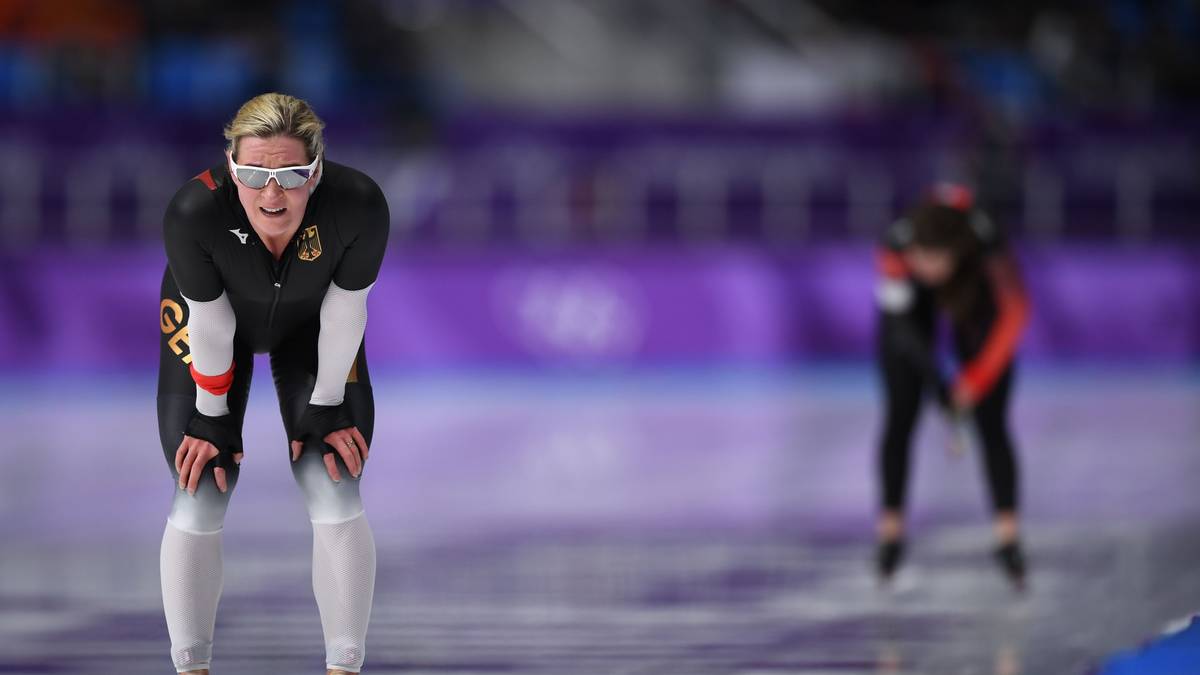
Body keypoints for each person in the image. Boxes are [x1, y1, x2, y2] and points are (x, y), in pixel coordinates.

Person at [157, 92, 389, 674]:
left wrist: (327, 403)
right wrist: (210, 415)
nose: (271, 193)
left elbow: (344, 315)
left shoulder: (357, 204)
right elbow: (209, 324)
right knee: (203, 480)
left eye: (289, 174)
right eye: (255, 173)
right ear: (231, 167)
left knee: (330, 471)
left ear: (317, 169)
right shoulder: (195, 211)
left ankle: (344, 665)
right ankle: (191, 666)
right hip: (215, 326)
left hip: (315, 331)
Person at [872, 183, 1030, 589]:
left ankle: (1007, 537)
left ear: (956, 254)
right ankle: (890, 534)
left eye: (933, 261)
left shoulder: (985, 238)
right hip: (911, 314)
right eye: (918, 260)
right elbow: (902, 328)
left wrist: (975, 380)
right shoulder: (896, 243)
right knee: (899, 413)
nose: (924, 267)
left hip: (972, 294)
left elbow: (1014, 311)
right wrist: (941, 387)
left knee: (992, 420)